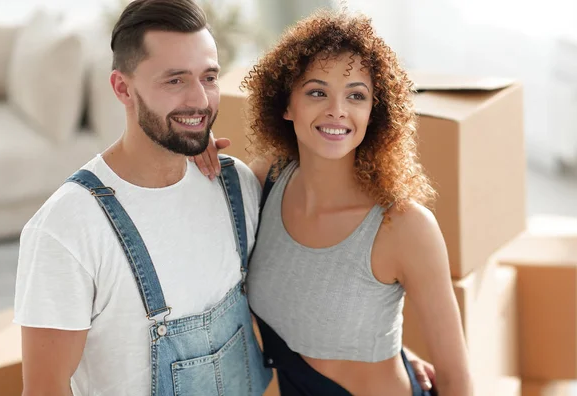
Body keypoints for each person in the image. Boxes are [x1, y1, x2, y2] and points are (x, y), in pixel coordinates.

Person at [195, 9, 473, 396]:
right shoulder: (265, 181)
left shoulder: (405, 226)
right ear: (286, 105)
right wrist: (192, 151)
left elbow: (458, 381)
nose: (337, 110)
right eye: (317, 91)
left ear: (373, 111)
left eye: (356, 95)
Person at [13, 1, 273, 395]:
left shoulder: (234, 186)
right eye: (175, 81)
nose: (200, 100)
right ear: (122, 88)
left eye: (209, 77)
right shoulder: (67, 228)